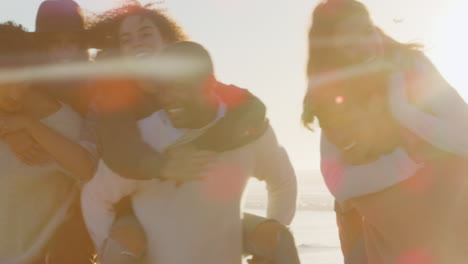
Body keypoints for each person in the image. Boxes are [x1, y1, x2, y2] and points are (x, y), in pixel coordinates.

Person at [84, 4, 300, 264]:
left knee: (278, 240)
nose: (137, 44)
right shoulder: (119, 98)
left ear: (169, 41)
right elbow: (122, 152)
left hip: (211, 218)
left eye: (146, 34)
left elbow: (246, 105)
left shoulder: (199, 84)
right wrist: (165, 164)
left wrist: (219, 139)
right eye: (126, 40)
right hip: (137, 214)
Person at [303, 0, 468, 263]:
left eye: (367, 30)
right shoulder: (332, 95)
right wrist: (405, 161)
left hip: (450, 218)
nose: (364, 43)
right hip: (385, 234)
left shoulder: (412, 67)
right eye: (348, 38)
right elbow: (338, 182)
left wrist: (406, 113)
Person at [0, 21, 96, 264]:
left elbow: (88, 170)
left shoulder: (65, 123)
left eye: (22, 80)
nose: (15, 94)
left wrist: (29, 125)